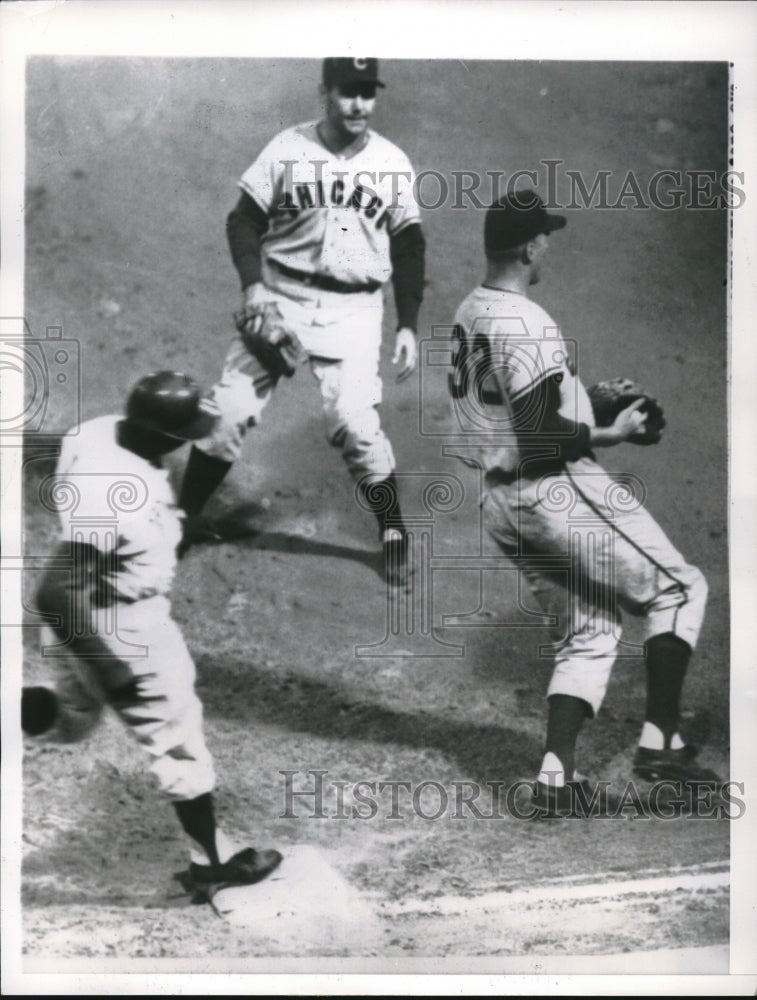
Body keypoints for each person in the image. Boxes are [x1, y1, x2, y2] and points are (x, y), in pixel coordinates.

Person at [450, 189, 722, 815]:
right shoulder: (527, 321)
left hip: (501, 505)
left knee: (591, 629)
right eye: (544, 236)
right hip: (554, 490)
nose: (548, 245)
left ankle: (555, 781)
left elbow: (513, 408)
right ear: (529, 247)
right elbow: (540, 435)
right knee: (679, 590)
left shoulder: (470, 310)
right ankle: (661, 745)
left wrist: (584, 400)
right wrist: (611, 432)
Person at [22, 371, 282, 900]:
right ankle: (212, 865)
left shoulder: (98, 431)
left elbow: (93, 489)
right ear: (162, 434)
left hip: (79, 620)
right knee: (180, 747)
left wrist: (174, 525)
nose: (190, 439)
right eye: (184, 432)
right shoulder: (115, 497)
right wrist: (112, 667)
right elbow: (53, 591)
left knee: (71, 718)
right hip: (121, 630)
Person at [177, 57, 426, 587]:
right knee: (230, 410)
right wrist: (254, 287)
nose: (358, 104)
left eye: (367, 92)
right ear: (324, 92)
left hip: (354, 310)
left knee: (356, 426)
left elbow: (409, 245)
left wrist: (408, 323)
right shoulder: (287, 148)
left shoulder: (392, 163)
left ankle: (393, 530)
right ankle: (183, 516)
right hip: (281, 296)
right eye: (347, 91)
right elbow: (243, 220)